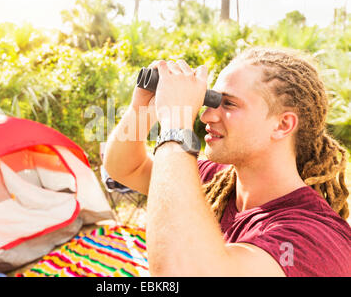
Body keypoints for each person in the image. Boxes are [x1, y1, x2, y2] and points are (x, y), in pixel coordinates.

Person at [103, 47, 351, 277]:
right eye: (212, 101)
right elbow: (127, 167)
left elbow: (181, 272)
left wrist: (175, 124)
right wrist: (143, 108)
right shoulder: (216, 180)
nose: (207, 115)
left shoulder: (312, 239)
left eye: (229, 104)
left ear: (282, 125)